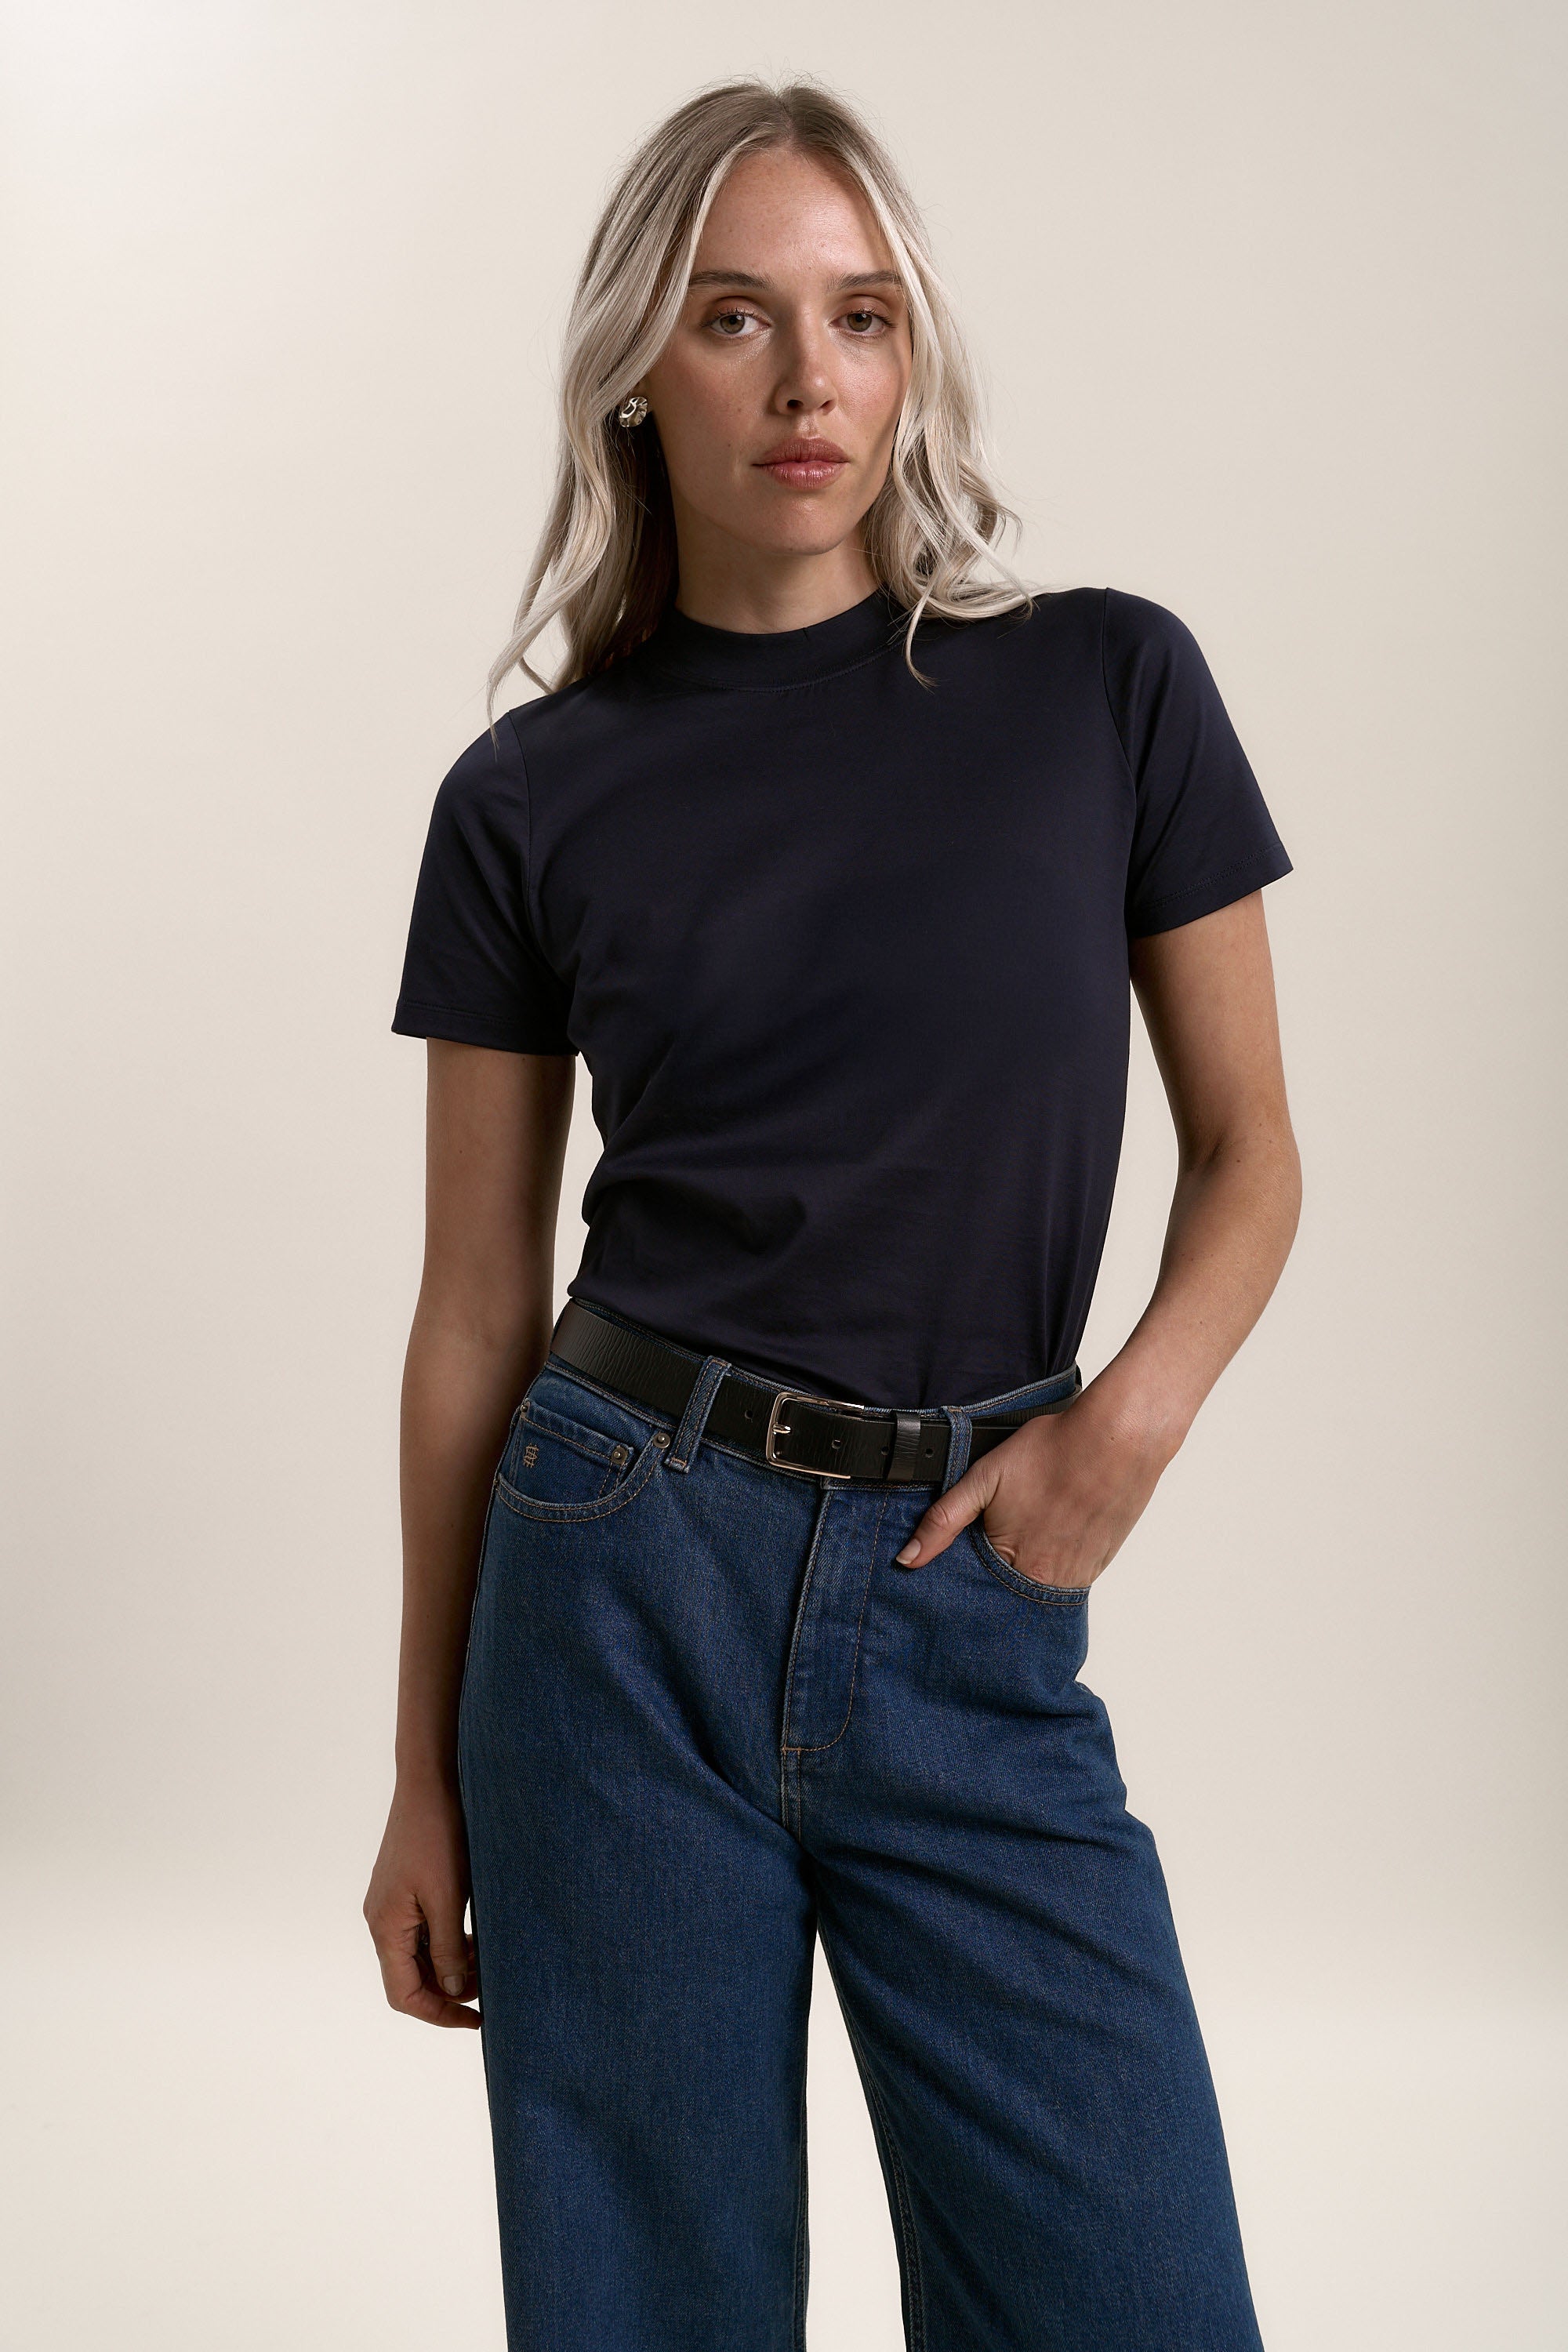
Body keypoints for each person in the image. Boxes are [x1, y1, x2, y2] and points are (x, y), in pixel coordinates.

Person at [363, 74, 1299, 2352]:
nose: (810, 381)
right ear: (632, 372)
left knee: (1137, 2297)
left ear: (915, 358)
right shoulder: (526, 798)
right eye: (737, 317)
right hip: (615, 1592)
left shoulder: (1104, 687)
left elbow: (1254, 1155)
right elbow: (475, 1312)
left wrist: (1124, 1432)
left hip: (968, 1585)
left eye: (861, 316)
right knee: (649, 2312)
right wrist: (422, 1768)